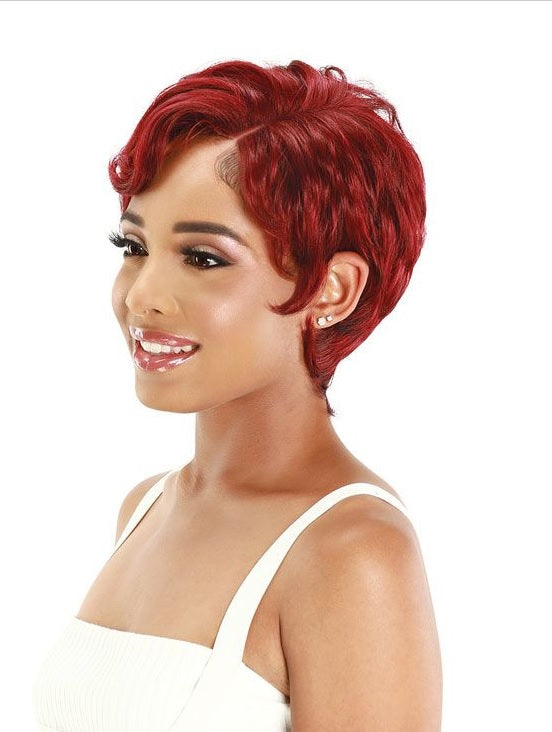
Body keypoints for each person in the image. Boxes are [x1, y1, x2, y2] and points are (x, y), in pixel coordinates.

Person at [32, 58, 442, 731]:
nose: (141, 296)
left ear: (332, 290)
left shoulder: (352, 551)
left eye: (203, 258)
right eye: (132, 246)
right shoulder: (146, 507)